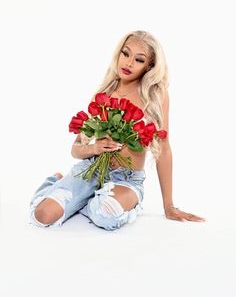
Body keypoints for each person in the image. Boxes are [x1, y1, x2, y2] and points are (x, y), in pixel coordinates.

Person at [29, 30, 205, 231]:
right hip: (92, 170)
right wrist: (95, 148)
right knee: (41, 216)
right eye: (125, 53)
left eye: (139, 60)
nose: (129, 63)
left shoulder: (155, 95)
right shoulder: (105, 93)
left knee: (105, 216)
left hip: (127, 179)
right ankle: (59, 184)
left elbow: (163, 149)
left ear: (149, 66)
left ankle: (85, 200)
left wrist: (169, 206)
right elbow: (75, 149)